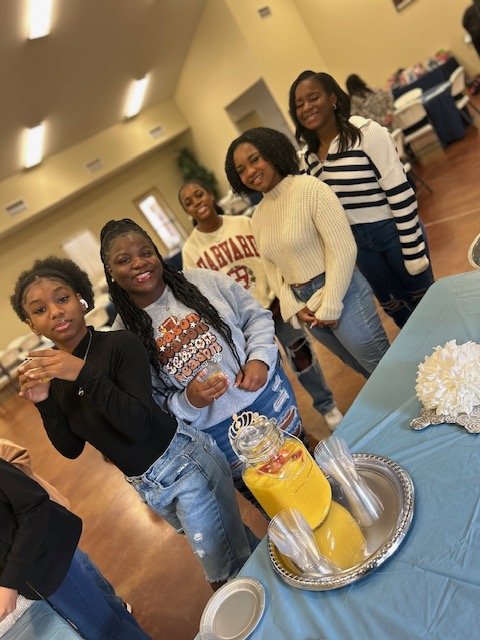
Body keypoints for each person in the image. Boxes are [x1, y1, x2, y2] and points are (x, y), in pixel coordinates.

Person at [10, 257, 254, 591]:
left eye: (62, 298)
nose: (54, 312)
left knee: (225, 577)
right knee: (237, 548)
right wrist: (44, 402)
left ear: (81, 300)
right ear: (31, 325)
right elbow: (71, 448)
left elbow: (137, 423)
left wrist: (82, 373)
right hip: (147, 485)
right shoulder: (55, 376)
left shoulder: (120, 345)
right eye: (39, 310)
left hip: (184, 466)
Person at [99, 218, 308, 504]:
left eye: (146, 252)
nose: (139, 263)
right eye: (124, 260)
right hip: (218, 434)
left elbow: (256, 317)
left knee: (306, 472)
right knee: (273, 501)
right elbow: (148, 404)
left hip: (268, 400)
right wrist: (188, 402)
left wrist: (260, 359)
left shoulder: (202, 281)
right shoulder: (122, 338)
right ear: (110, 271)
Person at [224, 126, 389, 379]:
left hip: (341, 291)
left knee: (382, 367)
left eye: (254, 160)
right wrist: (293, 306)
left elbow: (343, 248)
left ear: (272, 152)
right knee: (363, 370)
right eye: (241, 170)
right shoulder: (258, 216)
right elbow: (272, 268)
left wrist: (331, 303)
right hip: (305, 305)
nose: (250, 172)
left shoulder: (310, 188)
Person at [178, 180, 343, 431]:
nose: (196, 203)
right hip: (240, 323)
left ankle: (327, 406)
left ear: (210, 195)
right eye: (188, 202)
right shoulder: (191, 250)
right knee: (262, 372)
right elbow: (199, 293)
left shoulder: (243, 223)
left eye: (199, 194)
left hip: (274, 305)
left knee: (302, 356)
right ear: (187, 211)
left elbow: (270, 258)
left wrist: (283, 295)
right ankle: (282, 421)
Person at [288, 70, 434, 328]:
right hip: (359, 247)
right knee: (399, 313)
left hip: (394, 232)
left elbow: (401, 194)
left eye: (313, 98)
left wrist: (413, 252)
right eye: (299, 104)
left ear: (332, 99)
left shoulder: (365, 132)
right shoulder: (308, 158)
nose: (307, 107)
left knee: (429, 304)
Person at [0, 458, 150, 639]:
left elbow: (33, 503)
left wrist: (10, 582)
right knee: (109, 616)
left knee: (105, 630)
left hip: (46, 561)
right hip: (36, 567)